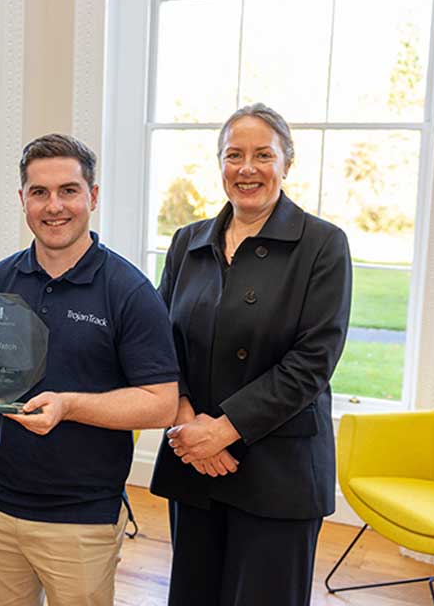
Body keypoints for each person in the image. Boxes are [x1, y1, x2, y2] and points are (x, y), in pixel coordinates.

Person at [0, 133, 179, 606]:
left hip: (80, 519)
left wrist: (68, 405)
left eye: (68, 190)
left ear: (93, 197)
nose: (54, 206)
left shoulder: (128, 292)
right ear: (22, 199)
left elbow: (162, 403)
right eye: (39, 192)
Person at [149, 103, 352, 606]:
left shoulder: (323, 245)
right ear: (219, 163)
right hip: (193, 457)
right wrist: (186, 419)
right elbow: (157, 343)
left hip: (278, 471)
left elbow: (313, 362)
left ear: (287, 162)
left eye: (263, 155)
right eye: (233, 155)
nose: (247, 168)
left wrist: (223, 430)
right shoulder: (187, 242)